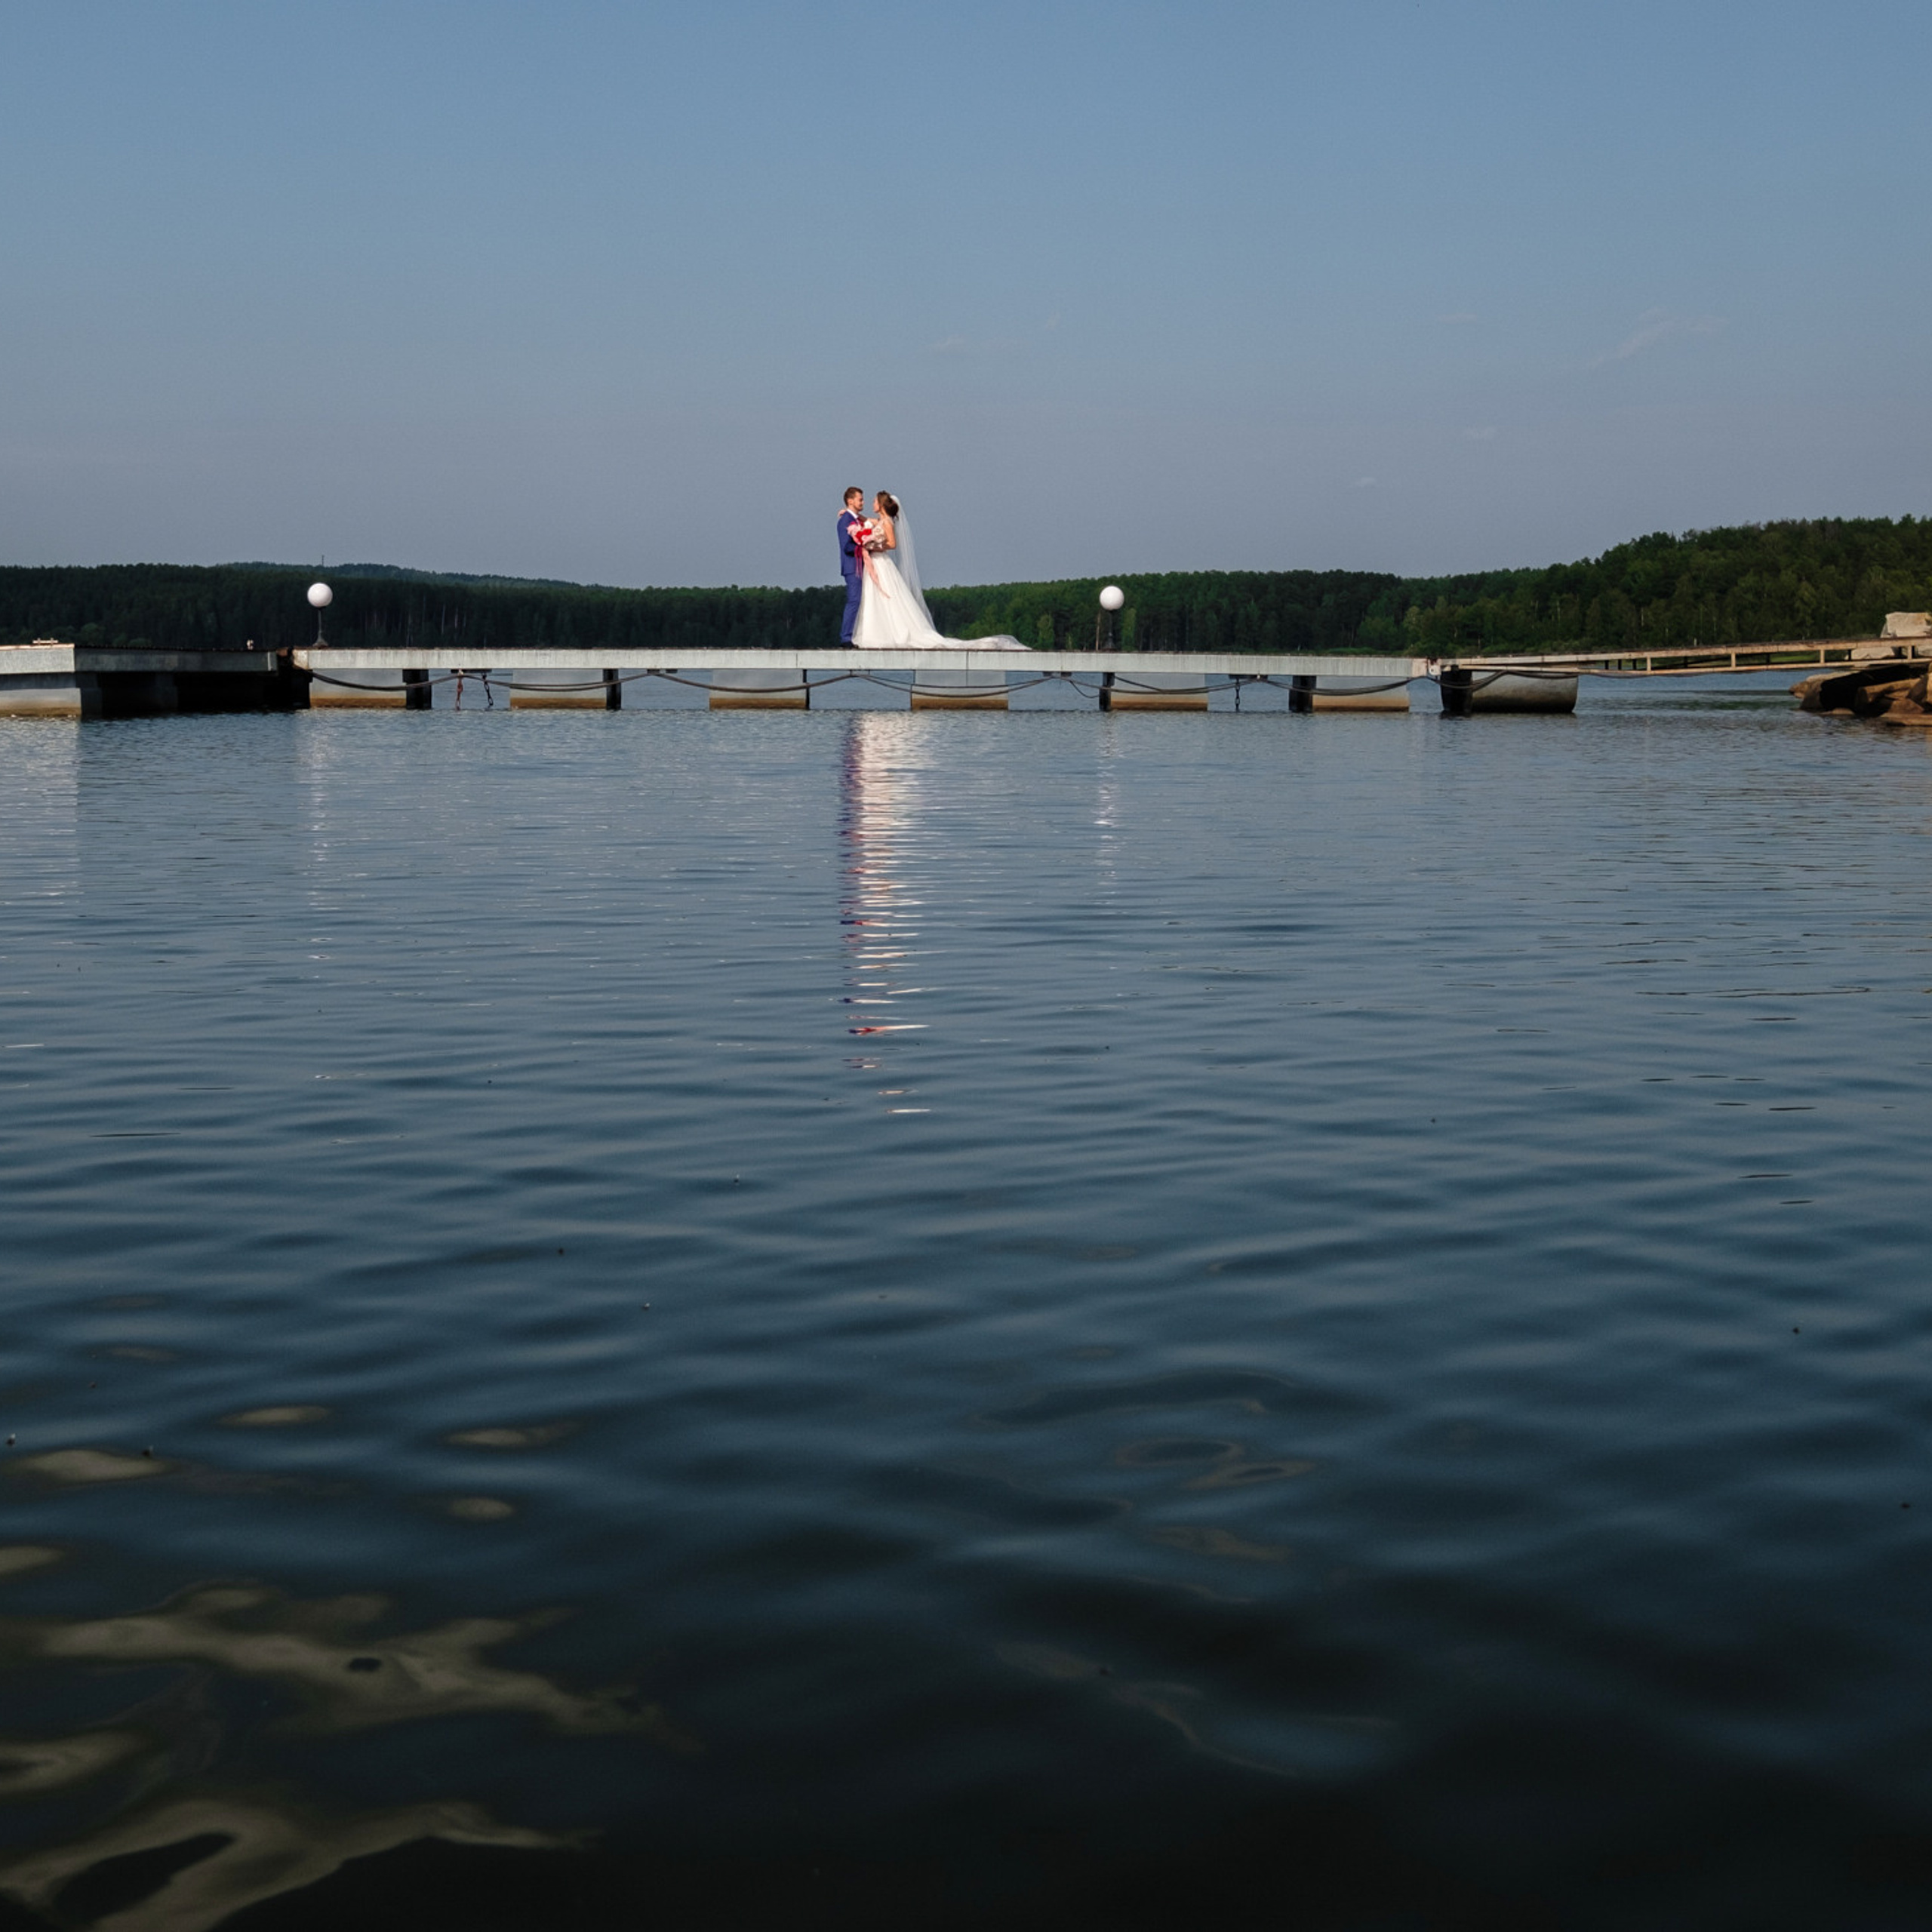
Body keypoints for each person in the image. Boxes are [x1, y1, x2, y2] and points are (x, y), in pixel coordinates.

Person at [850, 491, 1026, 650]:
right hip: (875, 563)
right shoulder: (880, 521)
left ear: (880, 505)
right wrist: (851, 514)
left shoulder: (887, 522)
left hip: (881, 561)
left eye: (874, 501)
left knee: (886, 595)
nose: (871, 503)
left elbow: (893, 544)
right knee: (876, 596)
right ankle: (877, 632)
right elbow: (867, 521)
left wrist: (873, 546)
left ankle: (892, 633)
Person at [836, 487, 867, 645]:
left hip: (861, 566)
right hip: (852, 566)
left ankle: (856, 636)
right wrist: (864, 547)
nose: (863, 502)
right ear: (850, 501)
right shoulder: (845, 521)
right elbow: (846, 547)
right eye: (860, 499)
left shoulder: (855, 520)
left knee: (860, 601)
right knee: (854, 600)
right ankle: (846, 638)